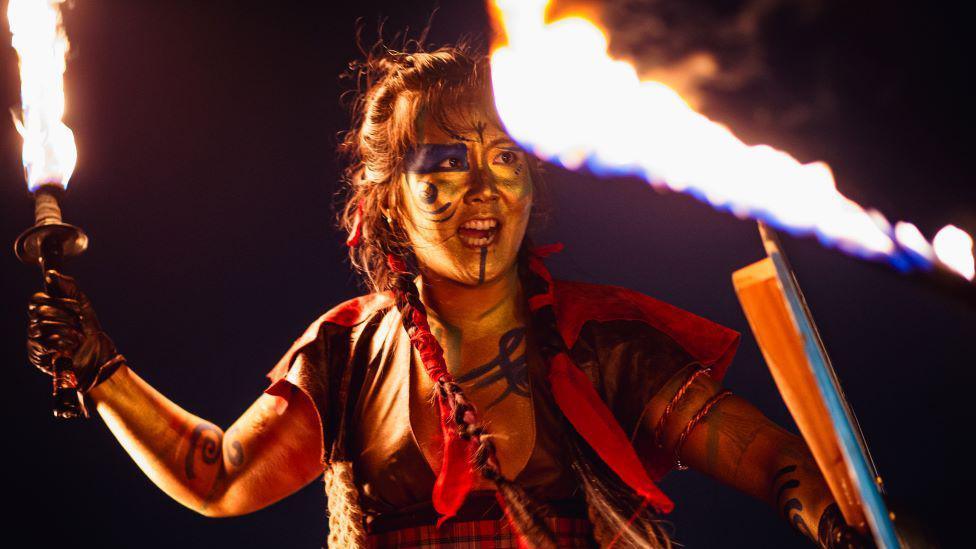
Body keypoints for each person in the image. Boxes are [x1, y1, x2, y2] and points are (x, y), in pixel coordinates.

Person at [26, 41, 868, 548]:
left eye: (505, 159)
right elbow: (218, 479)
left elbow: (773, 460)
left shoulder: (599, 341)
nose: (483, 191)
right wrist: (100, 366)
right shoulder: (347, 355)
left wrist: (839, 521)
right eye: (446, 166)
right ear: (389, 199)